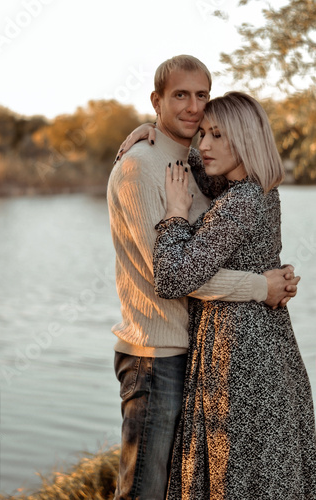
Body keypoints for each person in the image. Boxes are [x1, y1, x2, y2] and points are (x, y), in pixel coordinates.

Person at [107, 55, 300, 500]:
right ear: (156, 100)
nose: (194, 109)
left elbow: (218, 242)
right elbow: (171, 275)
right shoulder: (140, 167)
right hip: (156, 355)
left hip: (202, 349)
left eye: (201, 96)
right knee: (145, 491)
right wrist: (262, 286)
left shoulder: (203, 167)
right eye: (180, 95)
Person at [151, 91, 316, 499]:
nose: (203, 145)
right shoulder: (257, 188)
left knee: (236, 474)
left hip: (239, 351)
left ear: (244, 139)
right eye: (202, 133)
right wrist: (152, 131)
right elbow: (197, 165)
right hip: (265, 341)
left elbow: (172, 279)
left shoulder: (239, 202)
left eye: (217, 135)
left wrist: (174, 213)